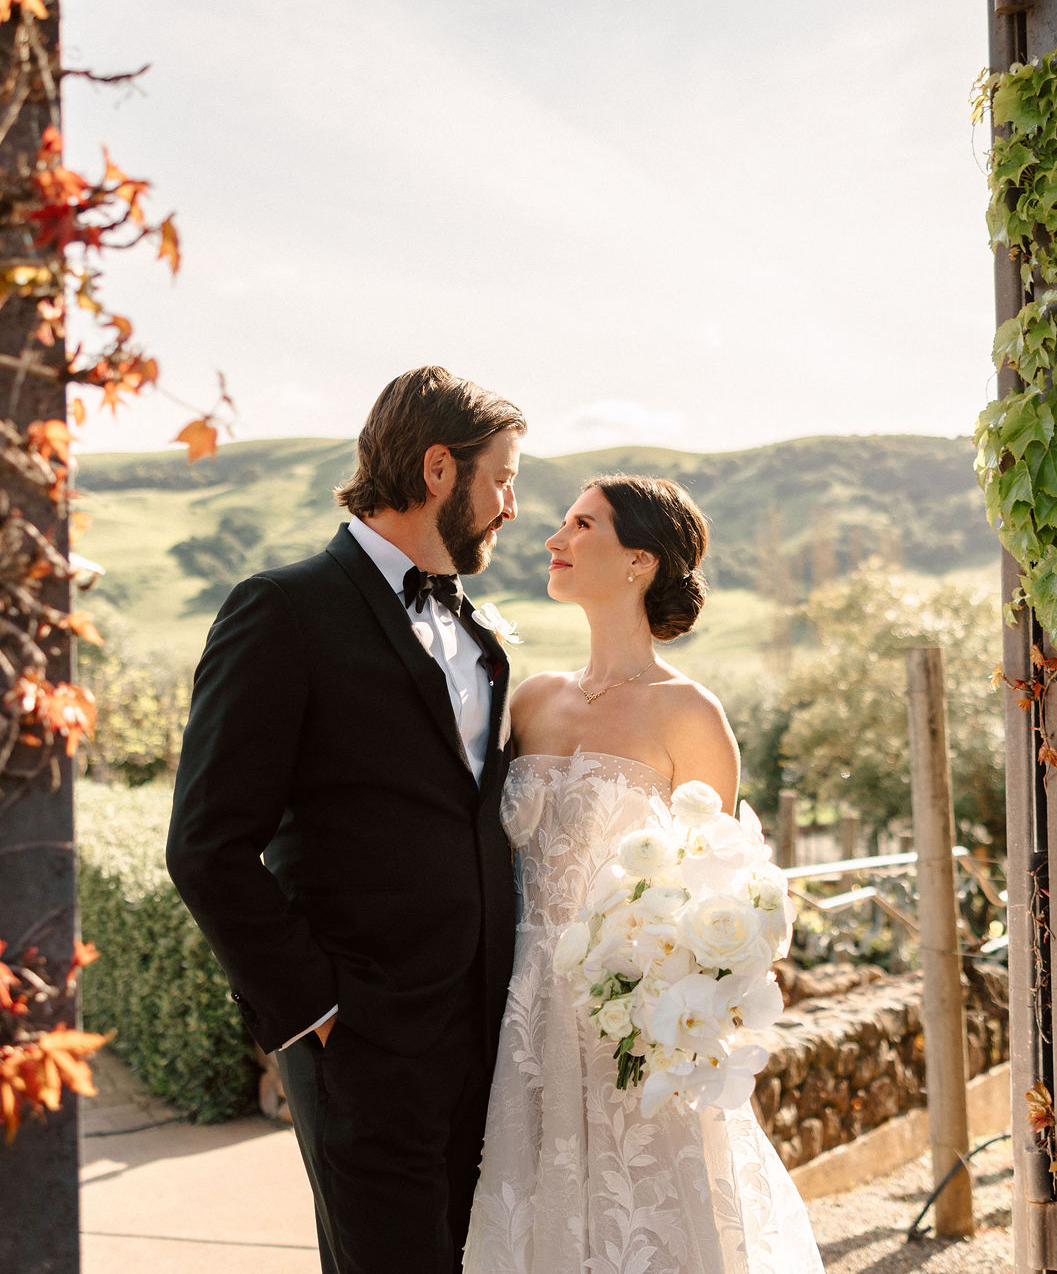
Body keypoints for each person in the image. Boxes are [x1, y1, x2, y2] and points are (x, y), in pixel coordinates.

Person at [167, 365, 524, 1274]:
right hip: (363, 1046)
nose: (512, 507)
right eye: (503, 477)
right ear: (439, 470)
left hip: (486, 1043)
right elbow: (206, 844)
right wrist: (318, 1015)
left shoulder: (478, 636)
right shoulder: (282, 610)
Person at [462, 474, 823, 1274]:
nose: (553, 540)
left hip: (631, 1022)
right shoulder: (530, 701)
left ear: (639, 562)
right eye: (561, 523)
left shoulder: (689, 714)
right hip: (517, 1011)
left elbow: (721, 883)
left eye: (580, 524)